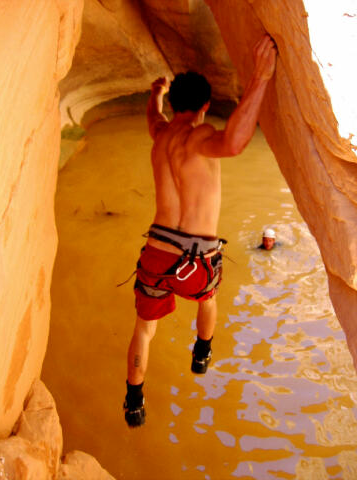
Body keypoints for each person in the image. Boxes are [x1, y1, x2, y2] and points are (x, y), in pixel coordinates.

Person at [124, 34, 277, 427]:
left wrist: (156, 93)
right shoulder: (200, 137)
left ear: (174, 104)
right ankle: (202, 353)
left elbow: (151, 116)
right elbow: (235, 142)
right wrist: (260, 77)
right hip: (197, 259)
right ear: (206, 106)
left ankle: (135, 401)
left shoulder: (160, 136)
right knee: (207, 301)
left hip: (158, 252)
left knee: (144, 329)